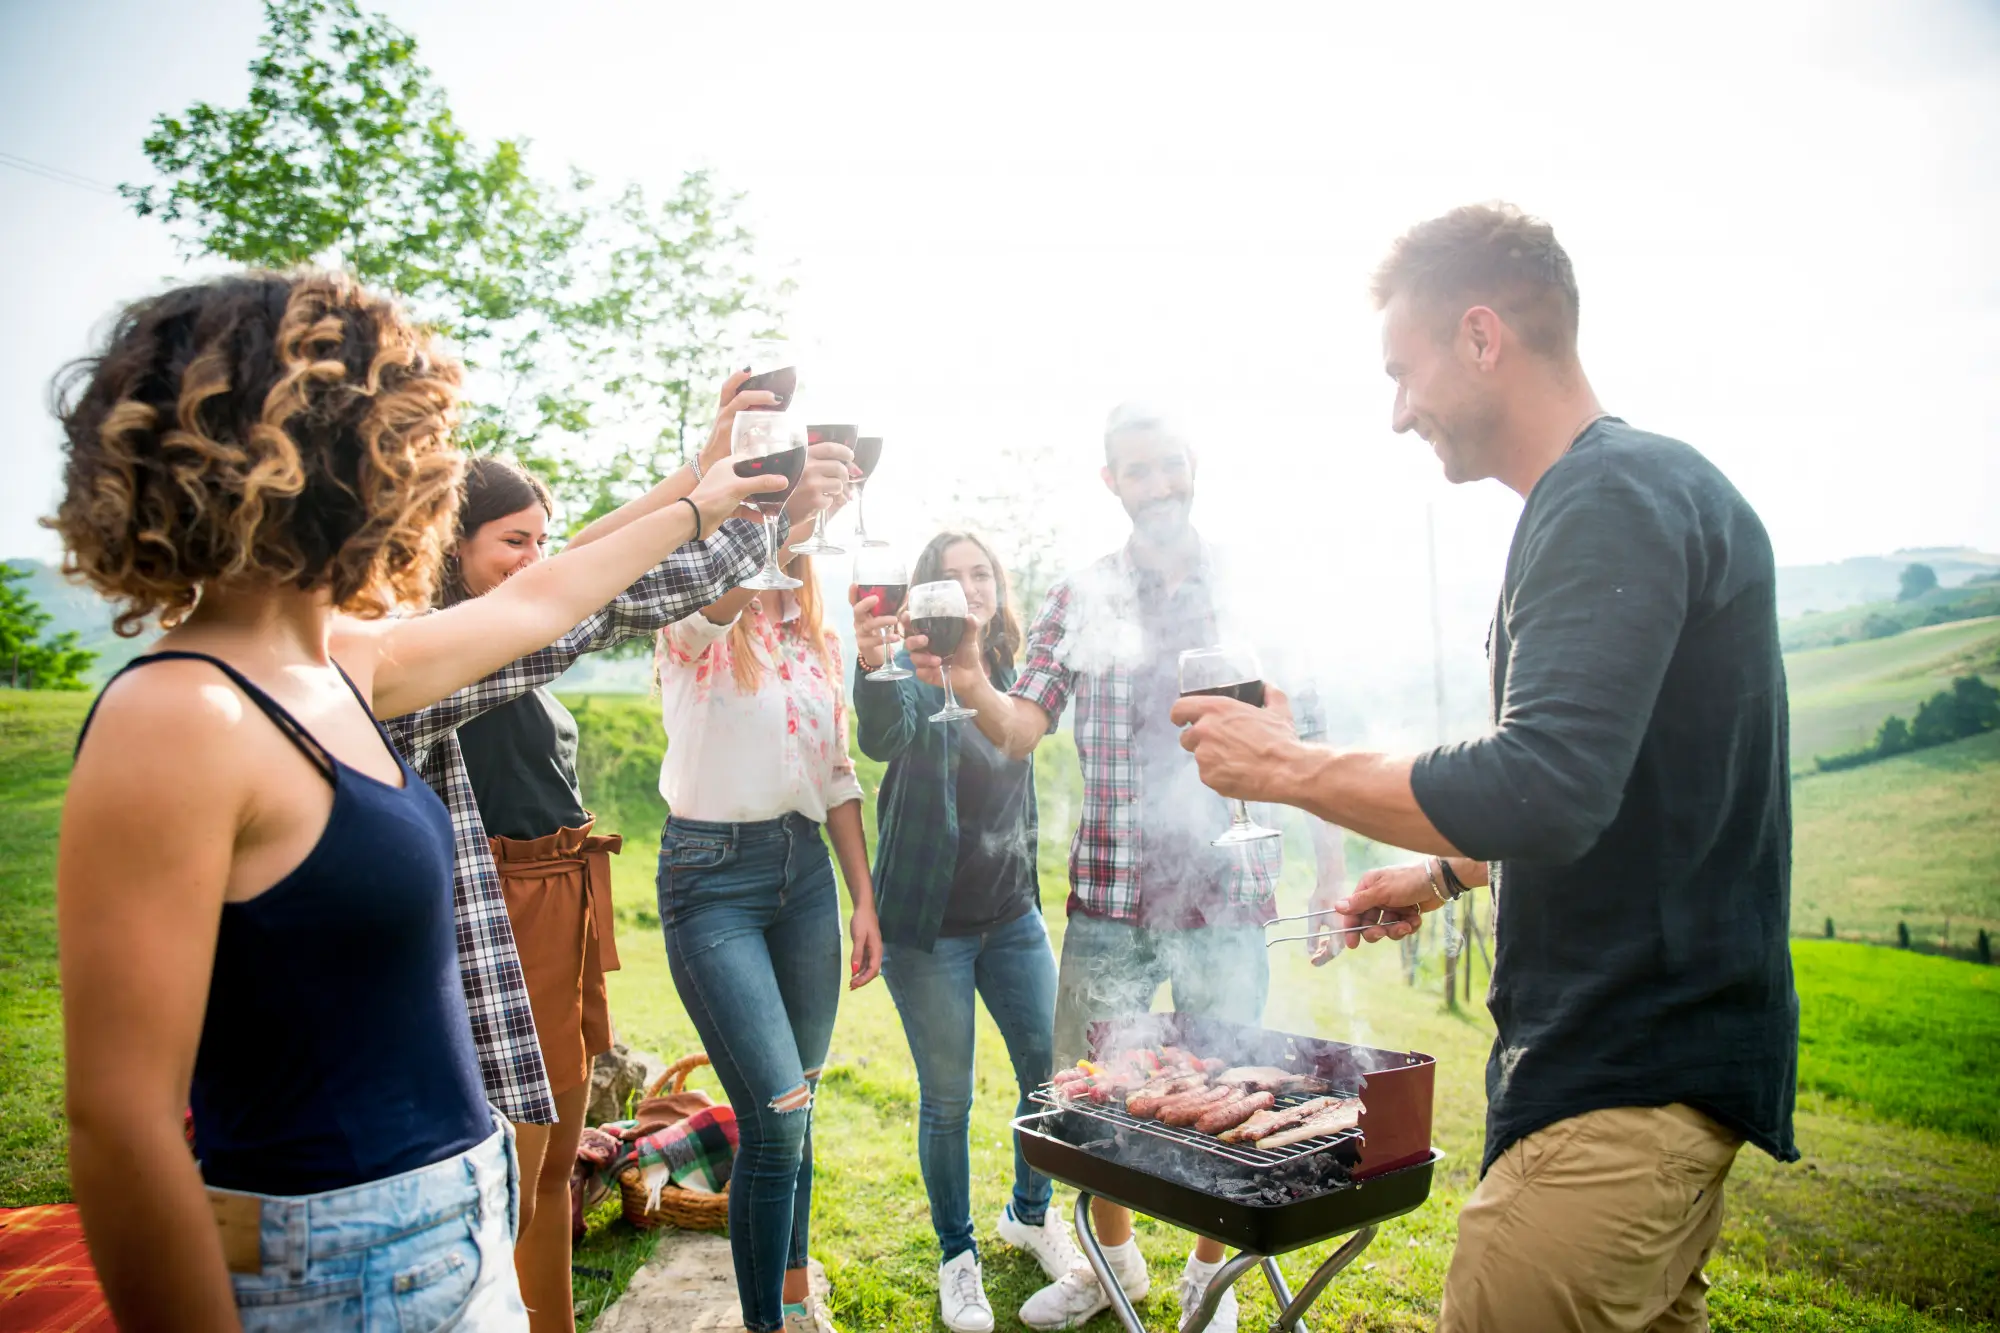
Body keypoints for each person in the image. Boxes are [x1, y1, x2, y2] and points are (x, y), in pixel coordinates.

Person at [49, 271, 781, 1329]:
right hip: (329, 1265)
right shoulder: (180, 717)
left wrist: (704, 493)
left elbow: (547, 594)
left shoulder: (347, 661)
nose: (431, 474)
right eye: (410, 439)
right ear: (332, 462)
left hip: (461, 1225)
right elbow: (120, 1124)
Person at [1173, 203, 1799, 1333]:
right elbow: (1624, 788)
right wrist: (1443, 875)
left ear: (1478, 337)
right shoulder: (1645, 488)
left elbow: (1544, 783)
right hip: (1670, 1075)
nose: (1396, 412)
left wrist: (1288, 766)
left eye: (1401, 373)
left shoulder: (1602, 496)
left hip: (1618, 1077)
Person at [386, 388, 847, 1333]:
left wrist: (703, 467)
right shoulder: (444, 650)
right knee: (525, 1157)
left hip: (562, 899)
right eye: (510, 539)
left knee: (554, 1156)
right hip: (501, 905)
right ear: (450, 551)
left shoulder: (508, 613)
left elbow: (579, 563)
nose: (536, 558)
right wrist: (752, 516)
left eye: (537, 539)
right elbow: (584, 589)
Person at [911, 408, 1347, 1333]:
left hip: (1229, 890)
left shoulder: (1250, 589)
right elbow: (1023, 727)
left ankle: (1208, 1279)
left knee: (1230, 1092)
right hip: (1109, 892)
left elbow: (1310, 737)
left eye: (1171, 465)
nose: (1158, 484)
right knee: (1090, 1090)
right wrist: (967, 677)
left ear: (1195, 468)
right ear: (1111, 480)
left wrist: (1333, 872)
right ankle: (1117, 1267)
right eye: (1138, 470)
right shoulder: (1080, 596)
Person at [850, 532, 1081, 1333]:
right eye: (948, 579)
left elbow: (1024, 748)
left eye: (980, 574)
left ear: (998, 586)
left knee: (1047, 1078)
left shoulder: (1017, 671)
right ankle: (958, 1253)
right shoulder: (915, 672)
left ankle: (1028, 1211)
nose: (968, 588)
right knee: (947, 1100)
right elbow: (880, 735)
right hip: (929, 929)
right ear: (924, 597)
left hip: (1014, 917)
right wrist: (876, 662)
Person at [655, 539, 883, 1333]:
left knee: (801, 1104)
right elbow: (700, 620)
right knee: (777, 1114)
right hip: (709, 878)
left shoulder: (817, 634)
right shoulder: (697, 616)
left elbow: (838, 773)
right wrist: (761, 531)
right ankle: (765, 1326)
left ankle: (793, 1297)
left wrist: (864, 897)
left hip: (806, 875)